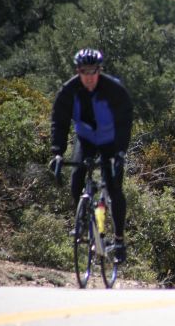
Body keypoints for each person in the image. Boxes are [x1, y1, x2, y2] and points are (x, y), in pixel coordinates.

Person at [49, 48, 134, 264]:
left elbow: (125, 122)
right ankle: (84, 221)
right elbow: (59, 122)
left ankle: (119, 239)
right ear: (78, 71)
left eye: (93, 71)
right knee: (77, 177)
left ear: (99, 70)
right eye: (84, 72)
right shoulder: (69, 90)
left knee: (114, 187)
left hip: (110, 140)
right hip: (86, 138)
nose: (89, 77)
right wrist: (57, 153)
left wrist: (120, 153)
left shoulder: (113, 89)